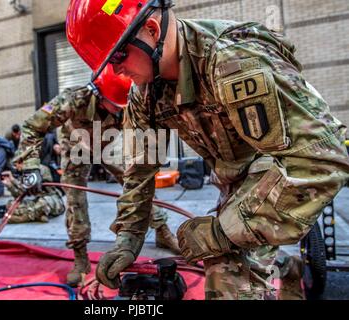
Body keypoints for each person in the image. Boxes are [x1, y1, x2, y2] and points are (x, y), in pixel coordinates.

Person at [66, 0, 349, 299]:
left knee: (225, 276)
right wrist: (128, 238)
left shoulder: (233, 61)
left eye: (119, 55)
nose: (116, 71)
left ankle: (272, 265)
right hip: (232, 180)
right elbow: (139, 170)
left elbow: (321, 159)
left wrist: (221, 232)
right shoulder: (145, 94)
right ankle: (285, 266)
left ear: (151, 30)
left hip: (276, 176)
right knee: (233, 250)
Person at [15, 64, 180, 287]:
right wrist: (30, 163)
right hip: (76, 146)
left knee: (137, 184)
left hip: (109, 143)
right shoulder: (73, 99)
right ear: (96, 93)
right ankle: (81, 257)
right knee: (75, 200)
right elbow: (32, 127)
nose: (117, 111)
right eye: (113, 106)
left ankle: (162, 231)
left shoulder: (128, 101)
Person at [1, 150, 65, 224]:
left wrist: (13, 180)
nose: (16, 167)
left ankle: (24, 218)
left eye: (16, 164)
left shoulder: (39, 169)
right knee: (10, 204)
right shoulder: (23, 173)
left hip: (50, 199)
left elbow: (29, 186)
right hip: (35, 200)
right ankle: (38, 216)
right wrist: (10, 185)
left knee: (42, 204)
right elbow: (20, 195)